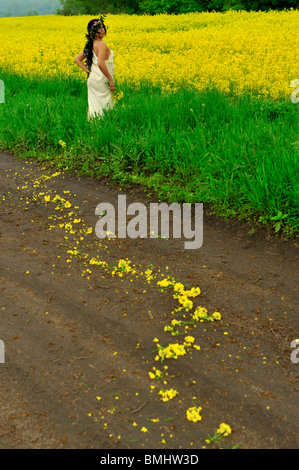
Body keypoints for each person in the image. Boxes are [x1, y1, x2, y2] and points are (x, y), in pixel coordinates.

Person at [74, 17, 115, 119]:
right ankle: (103, 129)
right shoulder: (102, 44)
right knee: (106, 107)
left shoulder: (91, 44)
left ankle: (93, 128)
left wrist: (89, 71)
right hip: (102, 80)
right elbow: (101, 63)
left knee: (95, 108)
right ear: (93, 31)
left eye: (103, 27)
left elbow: (77, 59)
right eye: (99, 28)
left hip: (93, 79)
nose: (102, 30)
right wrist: (110, 79)